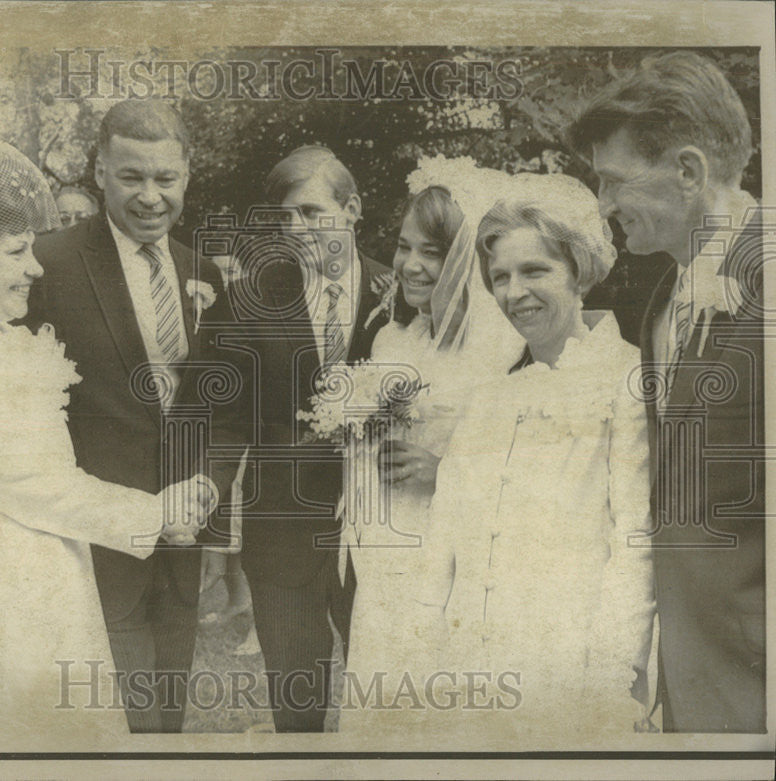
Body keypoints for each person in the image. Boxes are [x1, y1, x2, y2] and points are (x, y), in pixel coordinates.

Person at [0, 138, 213, 749]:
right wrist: (156, 513)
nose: (37, 268)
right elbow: (32, 483)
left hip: (26, 574)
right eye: (17, 251)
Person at [405, 175, 655, 737]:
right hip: (472, 669)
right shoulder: (490, 395)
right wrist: (423, 658)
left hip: (570, 669)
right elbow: (442, 546)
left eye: (534, 271)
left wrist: (609, 682)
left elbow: (634, 543)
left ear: (580, 269)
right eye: (500, 277)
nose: (514, 293)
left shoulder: (626, 378)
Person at [569, 50, 765, 733]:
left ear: (687, 171)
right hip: (687, 679)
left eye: (613, 181)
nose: (602, 205)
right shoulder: (661, 299)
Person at [27, 100, 230, 733]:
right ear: (99, 170)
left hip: (184, 545)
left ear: (188, 174)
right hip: (93, 547)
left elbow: (223, 408)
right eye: (130, 177)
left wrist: (208, 486)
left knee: (166, 726)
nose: (150, 197)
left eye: (165, 179)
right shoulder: (45, 265)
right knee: (115, 732)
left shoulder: (203, 272)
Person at [213, 145, 392, 731]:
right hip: (281, 532)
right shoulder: (249, 298)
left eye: (313, 213)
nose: (297, 231)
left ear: (354, 208)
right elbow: (223, 417)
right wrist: (204, 494)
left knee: (389, 702)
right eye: (284, 219)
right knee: (296, 710)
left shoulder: (404, 297)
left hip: (381, 533)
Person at [342, 157, 522, 722]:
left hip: (457, 552)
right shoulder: (392, 338)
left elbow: (529, 462)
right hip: (384, 542)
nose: (410, 265)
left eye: (432, 251)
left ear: (467, 258)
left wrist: (446, 469)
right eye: (403, 246)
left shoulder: (505, 345)